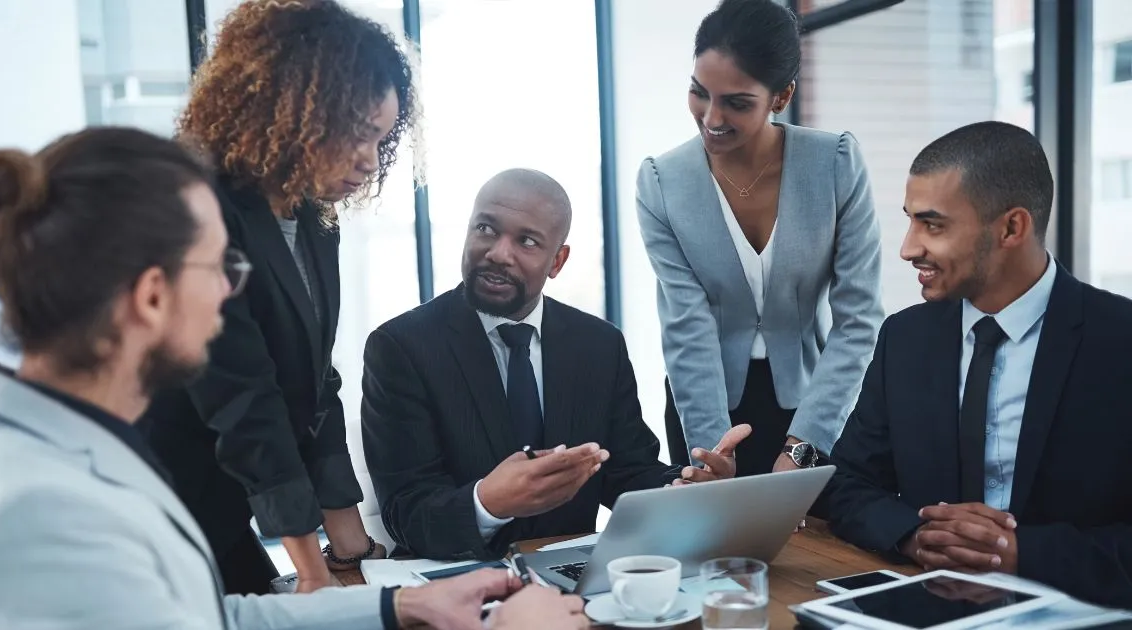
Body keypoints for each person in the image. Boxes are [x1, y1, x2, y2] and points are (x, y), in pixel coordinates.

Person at [0, 127, 589, 630]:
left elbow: (219, 617)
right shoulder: (40, 514)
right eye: (219, 267)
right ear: (152, 298)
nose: (231, 292)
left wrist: (403, 604)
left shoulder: (61, 451)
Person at [143, 0, 418, 595]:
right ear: (294, 110)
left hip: (226, 506)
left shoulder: (315, 214)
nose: (370, 161)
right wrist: (314, 574)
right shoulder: (200, 210)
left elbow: (314, 381)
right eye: (358, 134)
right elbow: (246, 400)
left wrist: (347, 538)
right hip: (162, 503)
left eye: (382, 138)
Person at [361, 168, 752, 561]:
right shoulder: (401, 347)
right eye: (485, 229)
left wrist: (687, 488)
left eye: (526, 241)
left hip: (572, 574)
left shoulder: (599, 345)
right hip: (454, 577)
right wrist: (489, 502)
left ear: (557, 261)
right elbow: (405, 511)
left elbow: (629, 472)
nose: (498, 253)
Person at [825, 121, 1132, 609]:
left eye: (934, 225)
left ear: (1012, 227)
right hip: (926, 608)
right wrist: (915, 535)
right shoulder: (905, 338)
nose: (908, 248)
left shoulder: (1120, 341)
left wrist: (1017, 553)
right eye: (910, 221)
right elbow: (846, 483)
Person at [636, 0, 883, 479]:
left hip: (817, 404)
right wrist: (711, 452)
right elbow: (687, 327)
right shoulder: (662, 182)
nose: (711, 117)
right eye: (698, 92)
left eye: (736, 102)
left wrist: (803, 447)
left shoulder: (834, 164)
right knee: (718, 542)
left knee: (817, 549)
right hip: (708, 409)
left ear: (781, 95)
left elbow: (859, 319)